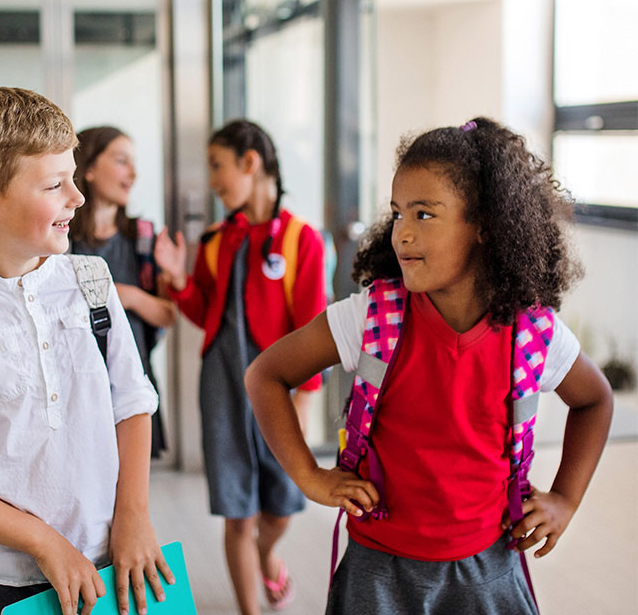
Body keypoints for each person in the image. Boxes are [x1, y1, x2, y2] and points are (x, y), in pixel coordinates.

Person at [245, 117, 614, 615]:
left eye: (424, 214)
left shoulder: (533, 335)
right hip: (378, 571)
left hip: (488, 568)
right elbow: (265, 374)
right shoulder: (371, 315)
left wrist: (566, 499)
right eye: (398, 214)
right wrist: (310, 476)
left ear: (485, 224)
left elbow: (594, 400)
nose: (402, 234)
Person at [0, 87, 173, 615]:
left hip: (112, 555)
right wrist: (45, 543)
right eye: (55, 184)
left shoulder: (93, 282)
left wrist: (134, 514)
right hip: (5, 581)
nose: (78, 197)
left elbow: (132, 402)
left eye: (74, 176)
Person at [154, 120, 326, 614]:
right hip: (223, 391)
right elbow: (203, 312)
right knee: (237, 514)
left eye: (217, 165)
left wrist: (306, 402)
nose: (213, 179)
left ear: (250, 163)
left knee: (280, 510)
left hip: (281, 396)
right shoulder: (215, 240)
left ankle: (268, 554)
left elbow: (314, 332)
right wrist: (177, 278)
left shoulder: (302, 241)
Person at [69, 126, 176, 458]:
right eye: (121, 161)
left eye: (134, 162)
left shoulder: (144, 239)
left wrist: (122, 296)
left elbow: (167, 313)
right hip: (76, 386)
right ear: (88, 168)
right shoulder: (61, 239)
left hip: (132, 381)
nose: (133, 173)